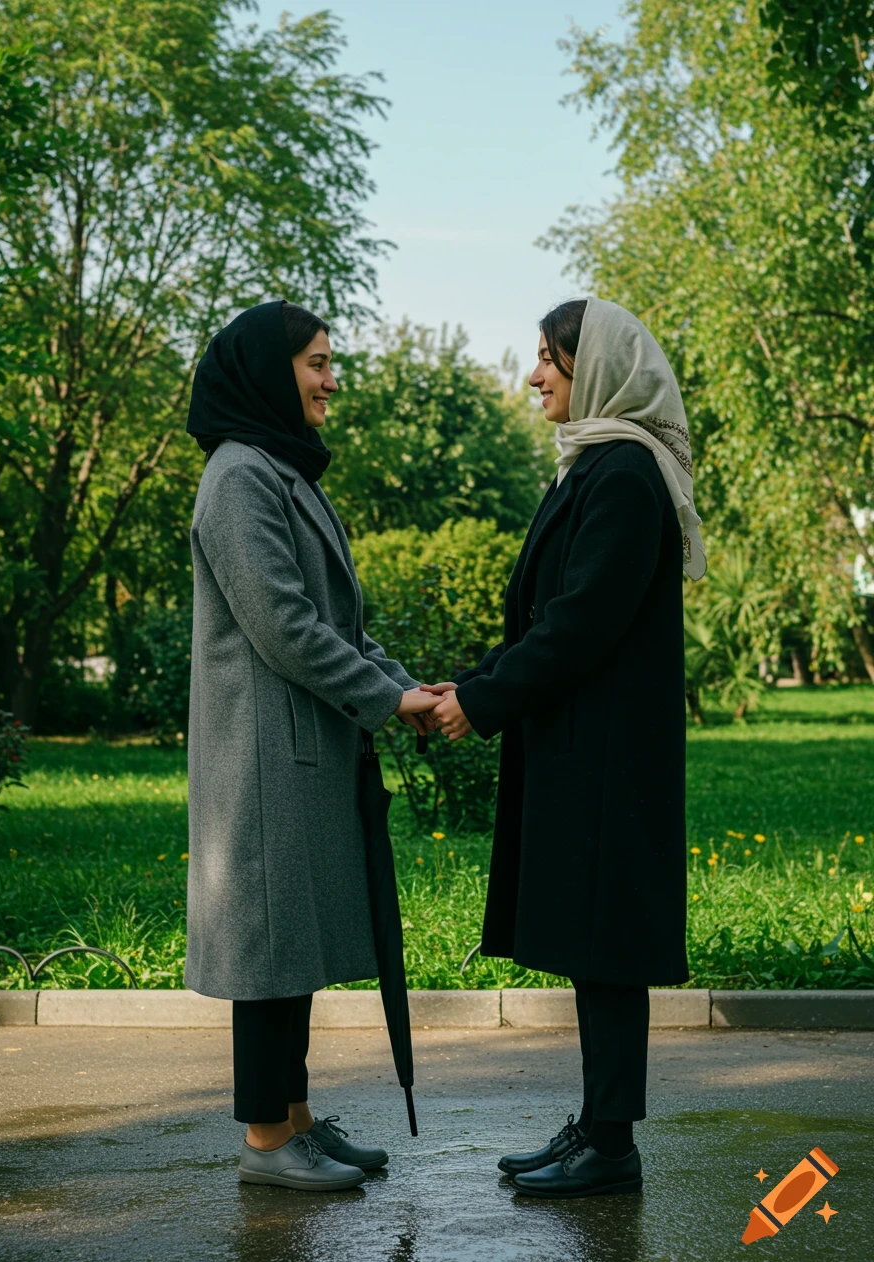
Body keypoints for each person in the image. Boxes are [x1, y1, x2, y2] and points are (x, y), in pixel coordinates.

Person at [426, 297, 705, 1200]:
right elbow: (545, 618)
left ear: (597, 368)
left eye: (550, 358)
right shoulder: (596, 467)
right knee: (596, 943)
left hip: (610, 760)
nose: (535, 375)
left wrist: (486, 701)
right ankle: (597, 1127)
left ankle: (612, 1147)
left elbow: (580, 625)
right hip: (588, 749)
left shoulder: (623, 473)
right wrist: (470, 681)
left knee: (610, 946)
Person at [185, 300, 440, 1192]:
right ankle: (265, 1142)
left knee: (291, 943)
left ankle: (294, 1121)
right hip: (261, 755)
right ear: (269, 373)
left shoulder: (277, 469)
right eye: (318, 364)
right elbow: (285, 625)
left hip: (295, 747)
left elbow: (338, 621)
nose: (334, 380)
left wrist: (403, 687)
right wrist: (387, 696)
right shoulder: (239, 476)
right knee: (268, 948)